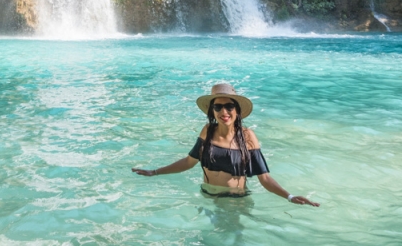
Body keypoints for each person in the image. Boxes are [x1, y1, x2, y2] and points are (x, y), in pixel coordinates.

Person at [132, 83, 319, 206]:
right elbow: (189, 162)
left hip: (235, 200)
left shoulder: (247, 136)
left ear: (237, 111)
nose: (224, 111)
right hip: (207, 195)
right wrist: (155, 172)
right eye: (218, 107)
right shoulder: (207, 131)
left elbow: (265, 178)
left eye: (229, 106)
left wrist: (289, 196)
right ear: (212, 111)